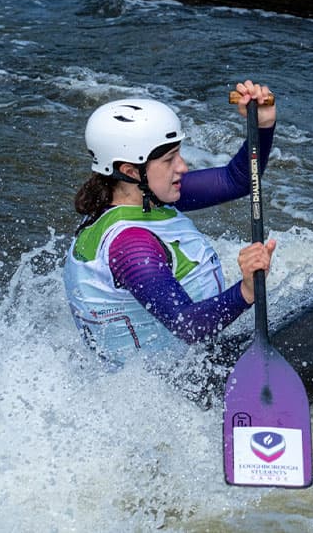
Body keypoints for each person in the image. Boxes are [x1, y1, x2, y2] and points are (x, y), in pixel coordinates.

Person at [64, 81, 277, 366]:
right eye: (169, 159)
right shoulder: (131, 246)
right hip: (171, 388)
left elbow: (237, 180)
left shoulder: (147, 196)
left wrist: (262, 126)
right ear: (130, 171)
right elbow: (189, 327)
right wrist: (246, 291)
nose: (183, 166)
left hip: (188, 363)